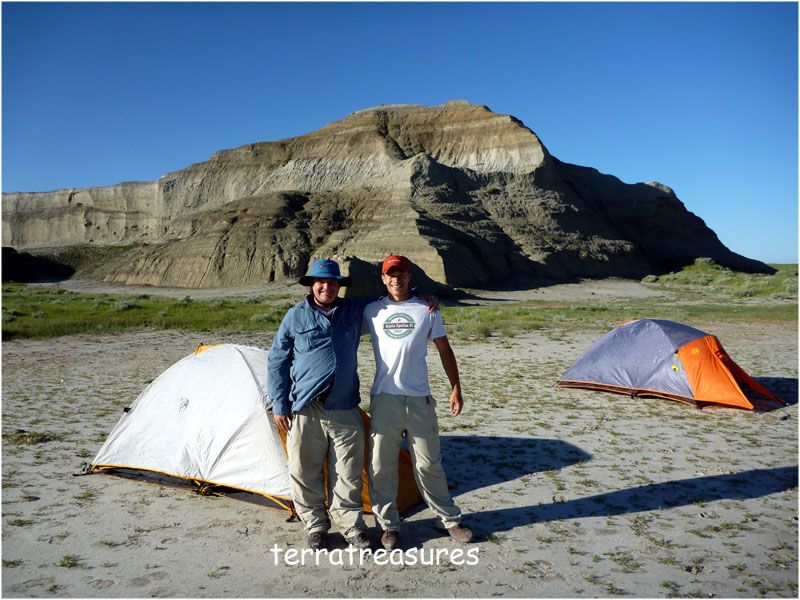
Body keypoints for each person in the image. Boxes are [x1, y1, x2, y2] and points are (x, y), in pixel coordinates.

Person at [268, 258, 437, 551]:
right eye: (321, 282)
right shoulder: (295, 316)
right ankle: (316, 526)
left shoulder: (354, 309)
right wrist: (280, 404)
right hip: (305, 406)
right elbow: (277, 361)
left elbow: (392, 297)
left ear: (339, 287)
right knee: (304, 469)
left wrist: (421, 294)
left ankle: (350, 526)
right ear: (312, 285)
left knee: (347, 472)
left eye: (333, 283)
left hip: (345, 406)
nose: (327, 287)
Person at [363, 254, 473, 550]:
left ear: (409, 277)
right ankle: (388, 525)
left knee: (428, 463)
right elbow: (339, 325)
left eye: (401, 274)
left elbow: (445, 351)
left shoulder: (427, 309)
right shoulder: (372, 311)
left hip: (419, 398)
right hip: (385, 398)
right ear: (383, 279)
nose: (396, 279)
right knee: (381, 465)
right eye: (391, 274)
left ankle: (448, 518)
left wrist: (456, 389)